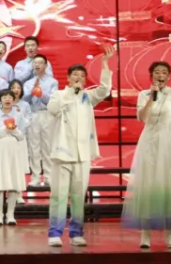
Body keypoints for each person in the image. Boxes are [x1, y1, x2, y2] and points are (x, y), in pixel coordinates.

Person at [122, 37, 171, 250]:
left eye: (164, 72)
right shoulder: (143, 94)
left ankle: (170, 236)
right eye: (157, 72)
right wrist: (153, 96)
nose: (160, 75)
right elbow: (143, 118)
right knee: (148, 187)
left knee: (170, 187)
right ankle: (145, 235)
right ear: (151, 76)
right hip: (150, 143)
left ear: (169, 76)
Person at [46, 46, 114, 248]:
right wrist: (71, 94)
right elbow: (53, 109)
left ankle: (76, 232)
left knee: (78, 196)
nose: (79, 79)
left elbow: (105, 90)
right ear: (68, 78)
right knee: (59, 195)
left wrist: (105, 64)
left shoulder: (88, 97)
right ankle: (55, 233)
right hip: (62, 153)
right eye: (75, 75)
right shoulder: (59, 95)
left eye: (82, 76)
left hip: (82, 155)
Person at [0, 89, 27, 226]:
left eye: (10, 97)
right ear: (0, 100)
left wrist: (14, 129)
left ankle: (10, 214)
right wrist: (4, 129)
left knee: (13, 183)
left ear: (14, 100)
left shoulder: (19, 116)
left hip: (14, 150)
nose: (7, 99)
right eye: (4, 97)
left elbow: (21, 136)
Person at [23, 54, 58, 186]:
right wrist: (31, 91)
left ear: (45, 65)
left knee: (47, 147)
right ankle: (35, 177)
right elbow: (23, 100)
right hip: (33, 114)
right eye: (35, 63)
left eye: (40, 63)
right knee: (34, 147)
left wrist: (41, 93)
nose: (37, 65)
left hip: (47, 113)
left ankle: (48, 176)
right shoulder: (28, 83)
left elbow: (52, 100)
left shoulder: (52, 82)